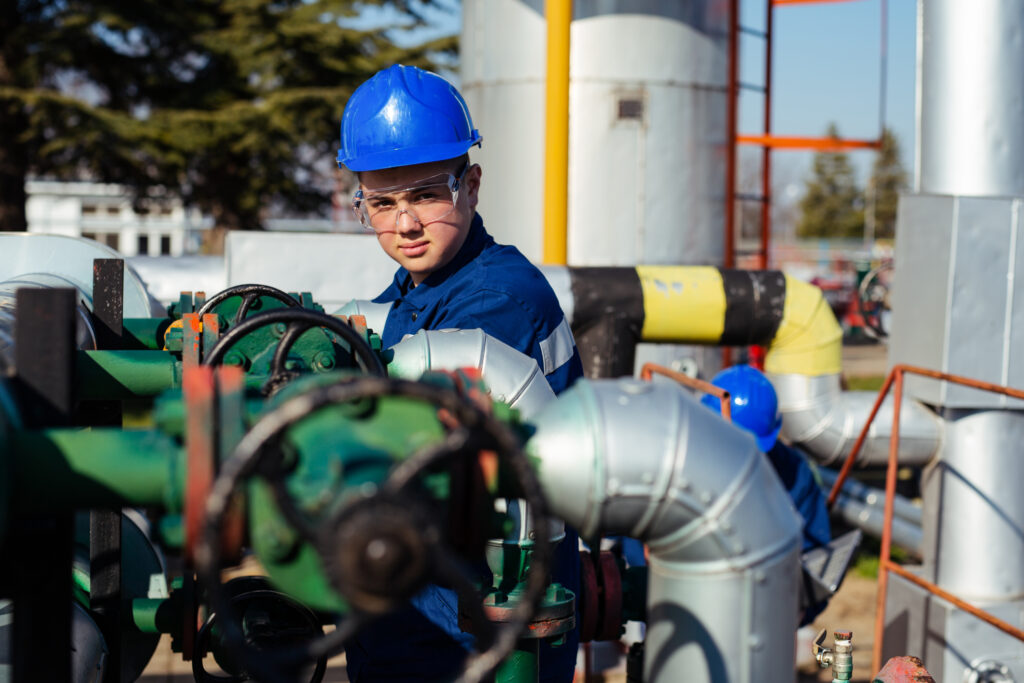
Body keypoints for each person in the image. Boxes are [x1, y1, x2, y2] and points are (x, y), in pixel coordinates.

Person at [337, 64, 584, 682]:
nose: (405, 223)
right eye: (383, 203)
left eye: (424, 194)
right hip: (429, 605)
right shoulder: (421, 285)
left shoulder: (497, 302)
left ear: (470, 185)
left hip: (476, 626)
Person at [700, 365, 831, 553]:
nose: (744, 458)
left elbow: (813, 548)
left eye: (751, 450)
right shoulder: (679, 464)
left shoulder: (793, 472)